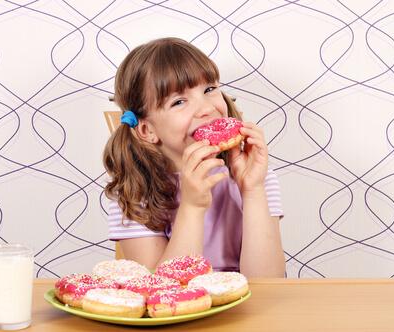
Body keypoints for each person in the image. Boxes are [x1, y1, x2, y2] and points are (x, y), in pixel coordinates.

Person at [103, 37, 285, 277]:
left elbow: (268, 283)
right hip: (180, 309)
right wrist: (192, 206)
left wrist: (252, 190)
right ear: (147, 130)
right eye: (179, 102)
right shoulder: (134, 193)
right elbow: (163, 291)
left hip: (248, 308)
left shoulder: (255, 178)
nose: (206, 108)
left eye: (209, 89)